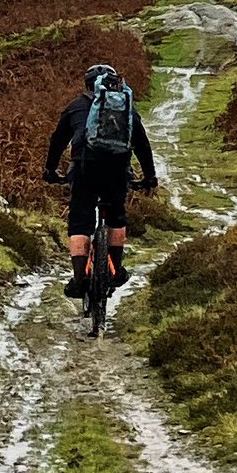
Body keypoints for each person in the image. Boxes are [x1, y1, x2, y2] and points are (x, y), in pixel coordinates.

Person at [44, 63, 158, 298]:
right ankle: (115, 271)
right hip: (117, 171)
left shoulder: (76, 107)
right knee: (116, 217)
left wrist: (50, 170)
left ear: (88, 85)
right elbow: (142, 144)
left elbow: (57, 141)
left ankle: (79, 280)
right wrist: (149, 177)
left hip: (84, 169)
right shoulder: (125, 108)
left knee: (79, 222)